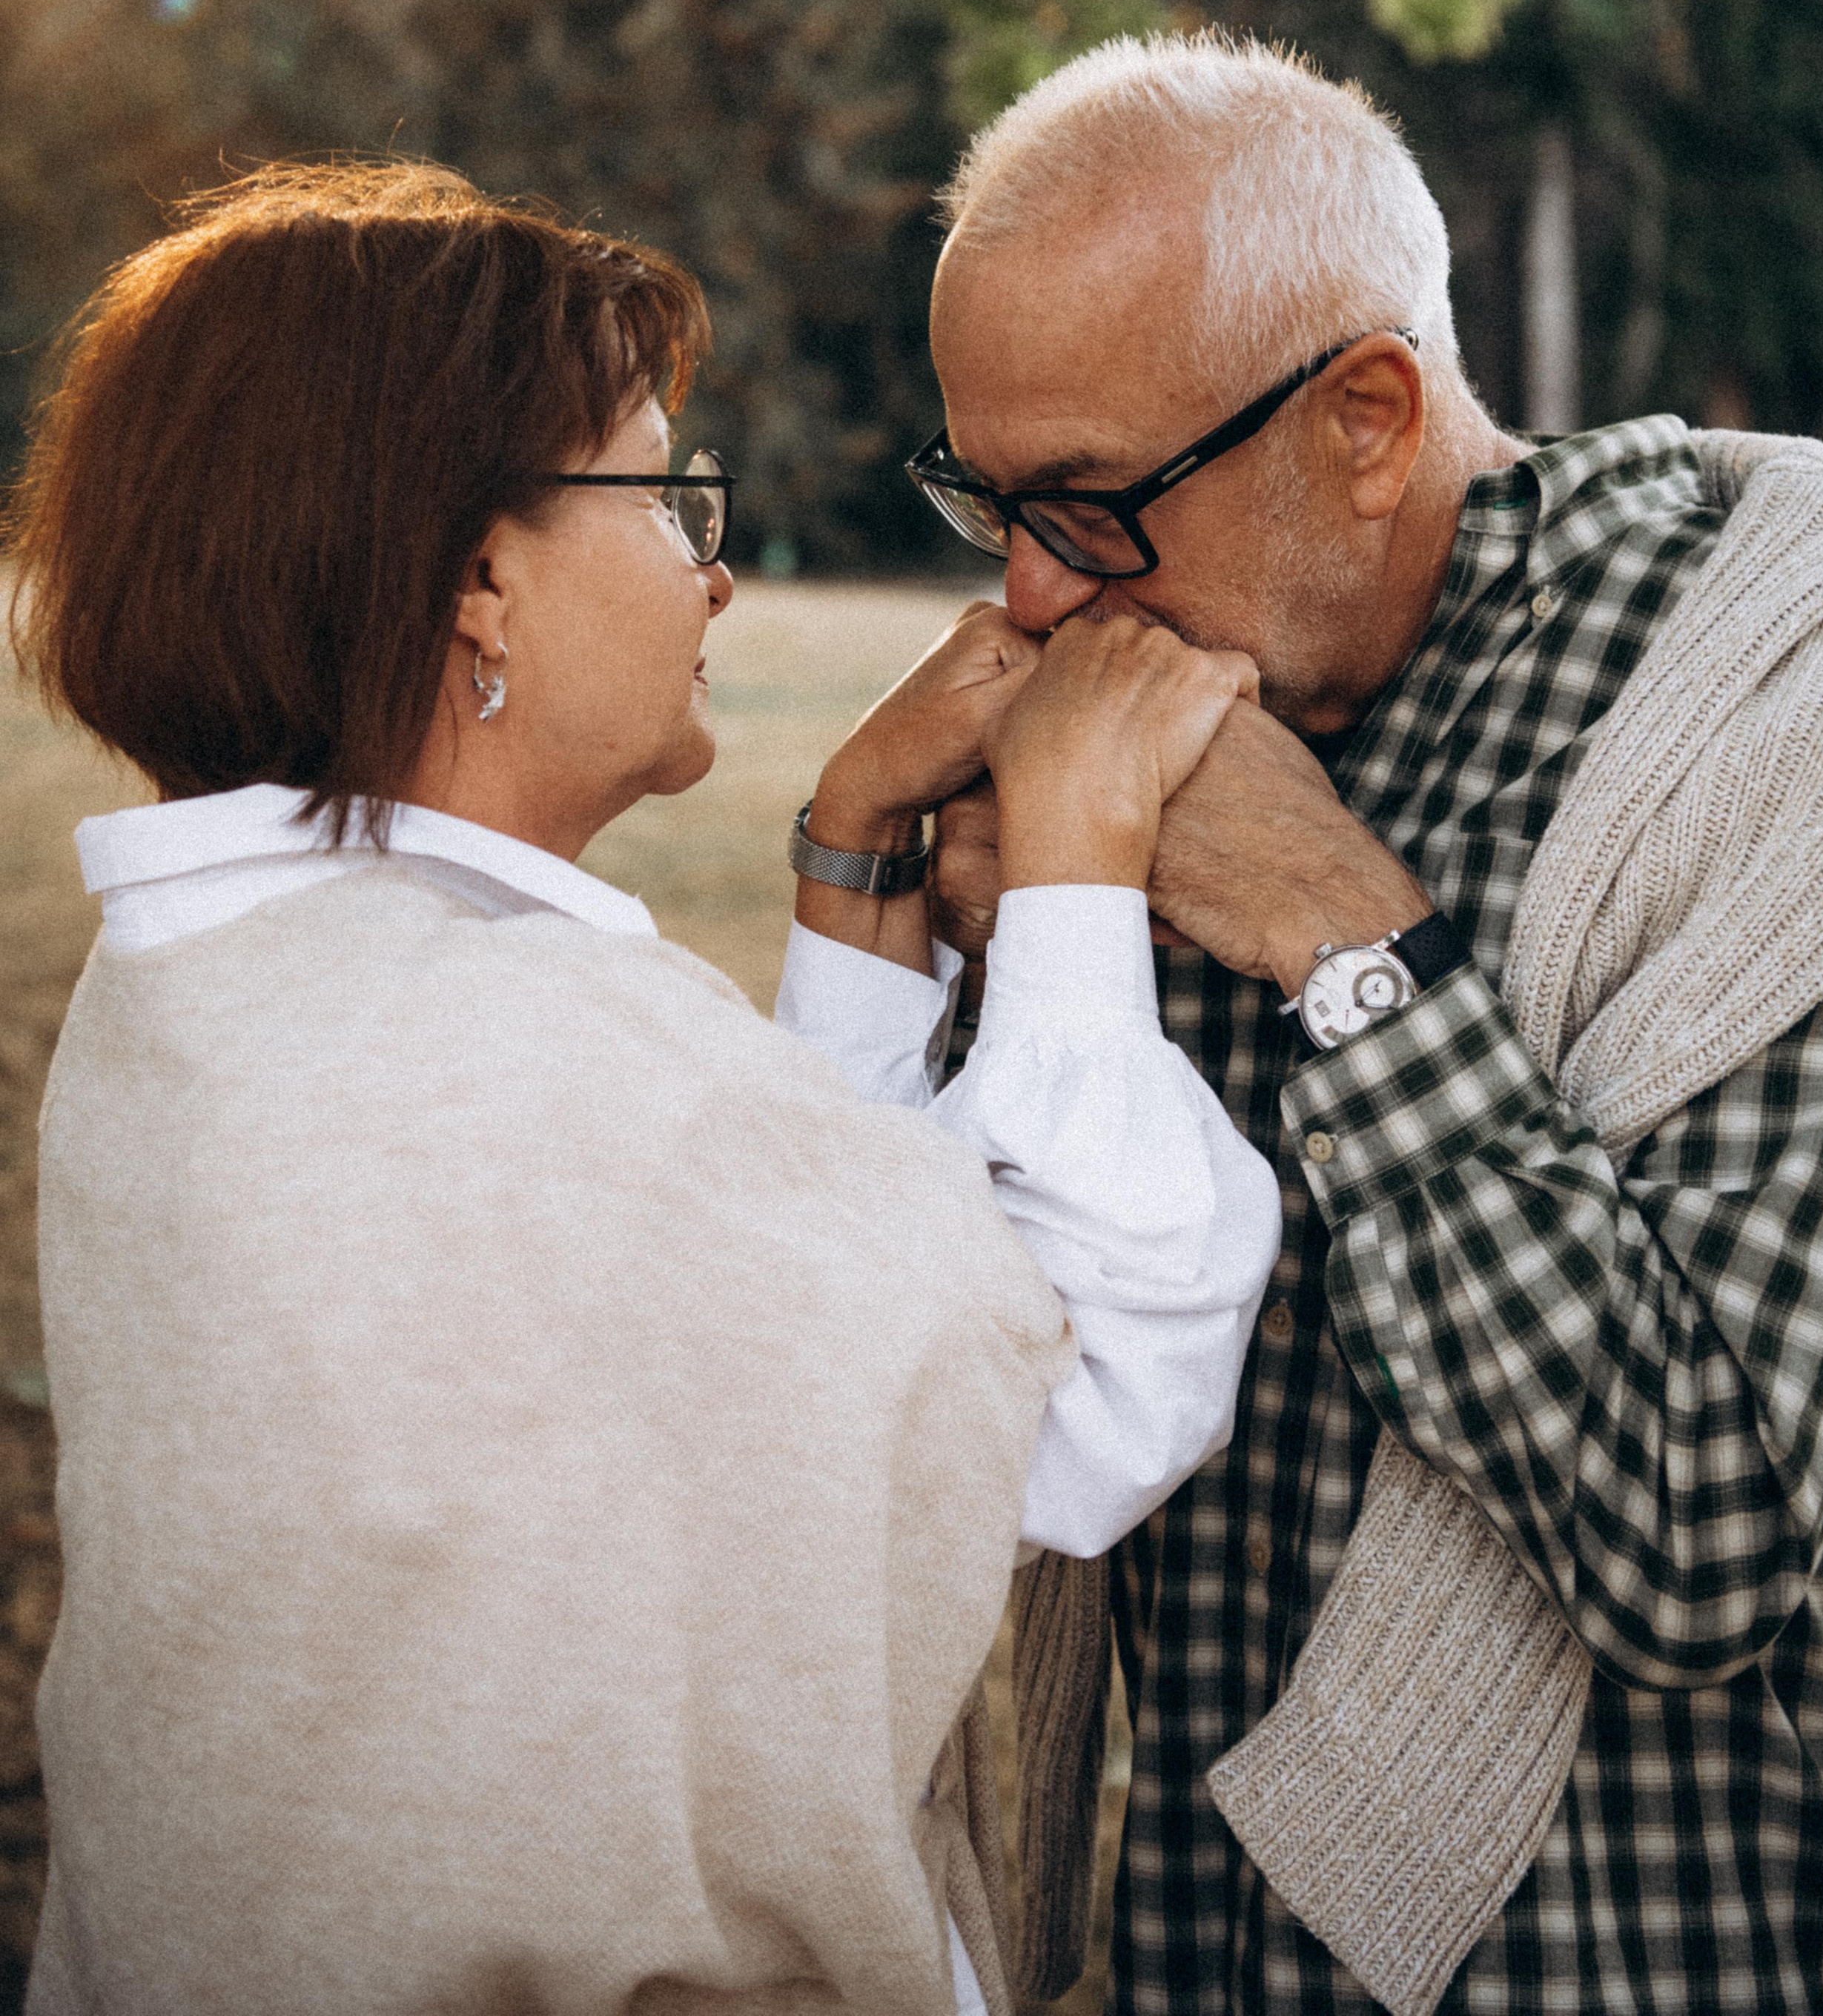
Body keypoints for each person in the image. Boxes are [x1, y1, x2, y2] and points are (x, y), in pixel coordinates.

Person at [4, 158, 1283, 2016]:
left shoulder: (225, 980)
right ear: (476, 578)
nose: (717, 562)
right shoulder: (511, 1054)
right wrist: (1080, 861)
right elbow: (1082, 1391)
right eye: (665, 490)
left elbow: (774, 1298)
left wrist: (855, 855)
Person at [913, 34, 1823, 2016]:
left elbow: (1699, 1531)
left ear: (1369, 419)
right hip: (1202, 1946)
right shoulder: (1126, 715)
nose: (1026, 587)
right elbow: (993, 1406)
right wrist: (920, 924)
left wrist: (1340, 934)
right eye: (984, 498)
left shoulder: (1818, 735)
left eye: (1091, 505)